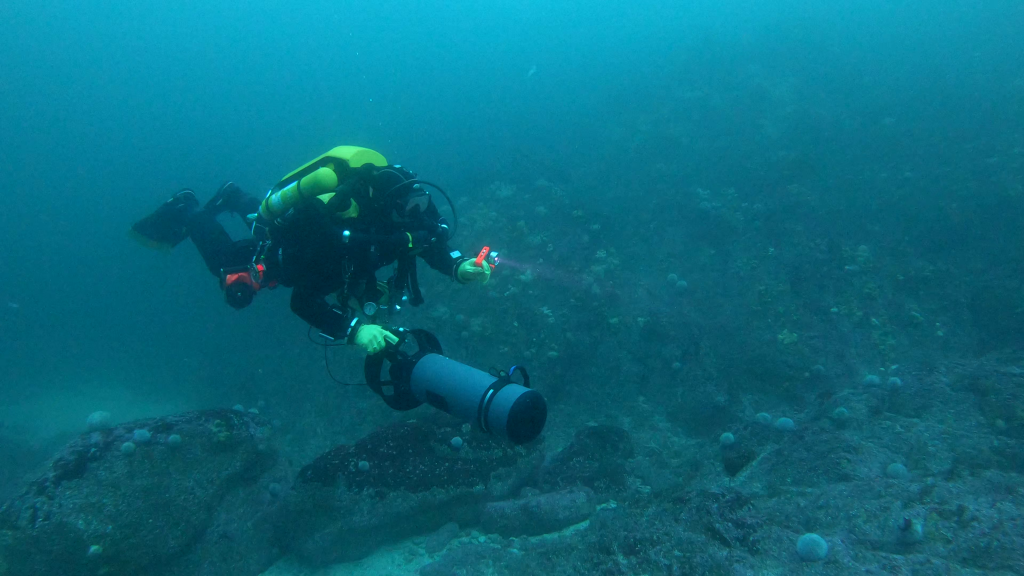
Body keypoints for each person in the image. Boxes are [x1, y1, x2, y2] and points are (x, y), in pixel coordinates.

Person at [130, 145, 492, 355]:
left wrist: (459, 267)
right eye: (411, 211)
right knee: (232, 274)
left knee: (261, 226)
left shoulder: (407, 204)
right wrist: (353, 331)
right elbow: (302, 301)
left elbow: (428, 242)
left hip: (326, 245)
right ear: (386, 210)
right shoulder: (337, 231)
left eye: (420, 207)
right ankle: (188, 207)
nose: (417, 217)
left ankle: (237, 197)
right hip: (300, 252)